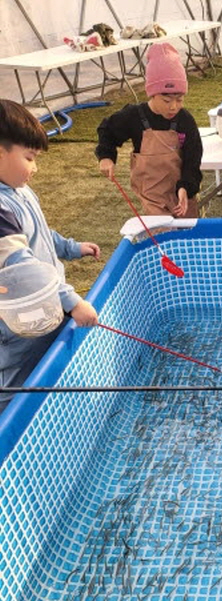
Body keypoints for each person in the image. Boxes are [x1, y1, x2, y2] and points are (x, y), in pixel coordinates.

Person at [0, 100, 99, 412]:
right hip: (18, 319)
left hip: (46, 303)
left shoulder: (20, 191)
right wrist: (71, 300)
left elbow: (39, 233)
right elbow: (22, 265)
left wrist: (70, 248)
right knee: (16, 379)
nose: (35, 167)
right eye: (29, 157)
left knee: (46, 361)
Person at [96, 42, 202, 218]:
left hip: (181, 194)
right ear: (152, 93)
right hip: (151, 197)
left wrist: (186, 187)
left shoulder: (185, 120)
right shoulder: (134, 116)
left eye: (180, 99)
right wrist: (106, 157)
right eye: (167, 101)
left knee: (188, 234)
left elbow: (193, 158)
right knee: (160, 234)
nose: (174, 107)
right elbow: (107, 130)